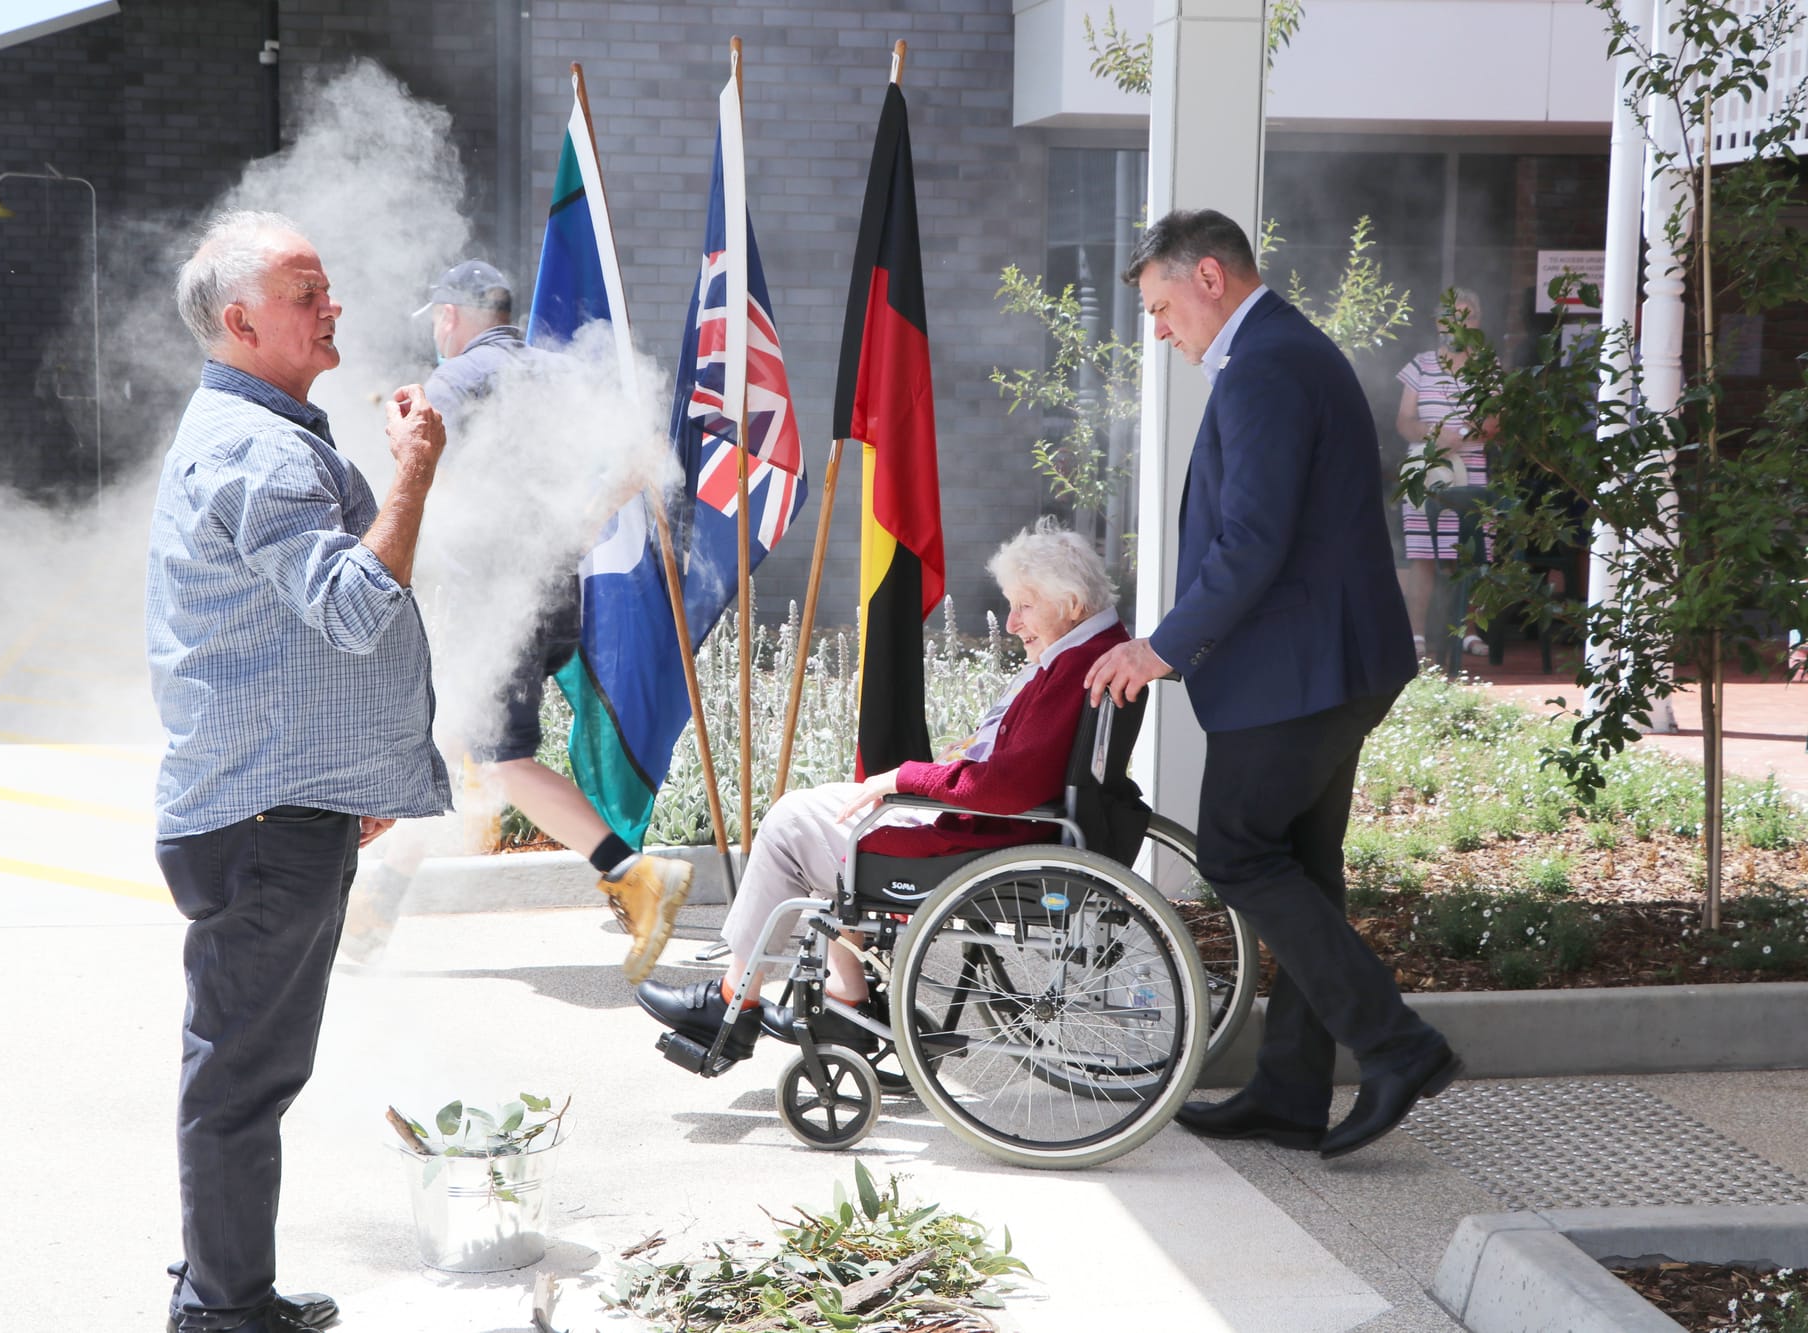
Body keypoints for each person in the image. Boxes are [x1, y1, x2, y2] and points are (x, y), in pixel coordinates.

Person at [1084, 209, 1457, 1160]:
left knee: (1240, 851)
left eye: (1161, 307)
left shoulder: (1267, 366)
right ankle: (1291, 1093)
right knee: (1304, 867)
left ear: (1210, 277)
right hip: (1323, 665)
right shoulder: (1280, 352)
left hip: (1299, 672)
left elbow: (1253, 541)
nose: (1158, 330)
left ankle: (1398, 1045)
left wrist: (1162, 649)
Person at [146, 210, 452, 1333]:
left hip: (269, 807)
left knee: (239, 1071)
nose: (333, 306)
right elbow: (355, 609)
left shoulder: (251, 431)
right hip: (266, 823)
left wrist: (347, 777)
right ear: (241, 321)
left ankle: (222, 1289)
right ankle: (224, 1310)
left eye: (326, 287)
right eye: (306, 292)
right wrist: (415, 469)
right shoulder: (259, 450)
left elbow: (281, 642)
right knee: (243, 1081)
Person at [633, 519, 1129, 1063]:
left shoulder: (1073, 667)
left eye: (1024, 607)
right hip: (1002, 826)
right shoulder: (1095, 650)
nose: (1011, 624)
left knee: (790, 825)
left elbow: (1002, 788)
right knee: (816, 817)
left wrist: (904, 777)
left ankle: (735, 1002)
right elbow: (1015, 770)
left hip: (983, 837)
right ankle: (843, 1001)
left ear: (1071, 604)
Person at [338, 259, 692, 982]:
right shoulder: (555, 374)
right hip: (553, 586)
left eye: (440, 318)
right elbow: (646, 451)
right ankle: (375, 911)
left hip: (499, 598)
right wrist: (585, 519)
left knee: (502, 759)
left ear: (454, 316)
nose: (438, 331)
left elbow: (415, 472)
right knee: (450, 738)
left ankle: (635, 876)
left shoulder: (457, 379)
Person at [1396, 290, 1498, 659]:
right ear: (1439, 323)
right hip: (1426, 473)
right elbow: (1404, 422)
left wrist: (1467, 434)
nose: (1459, 326)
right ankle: (1416, 636)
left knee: (1470, 555)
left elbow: (1494, 421)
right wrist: (1434, 435)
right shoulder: (1420, 365)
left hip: (1471, 474)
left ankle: (1468, 633)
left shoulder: (1487, 367)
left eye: (1468, 318)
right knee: (1422, 554)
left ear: (1478, 324)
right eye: (1453, 318)